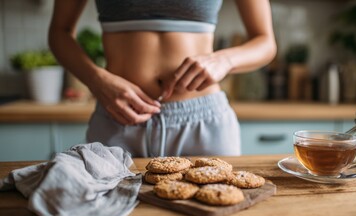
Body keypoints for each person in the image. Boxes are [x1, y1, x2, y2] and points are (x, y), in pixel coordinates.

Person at [48, 0, 276, 157]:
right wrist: (97, 80)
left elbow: (265, 41)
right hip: (119, 118)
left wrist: (224, 60)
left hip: (203, 126)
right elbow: (60, 32)